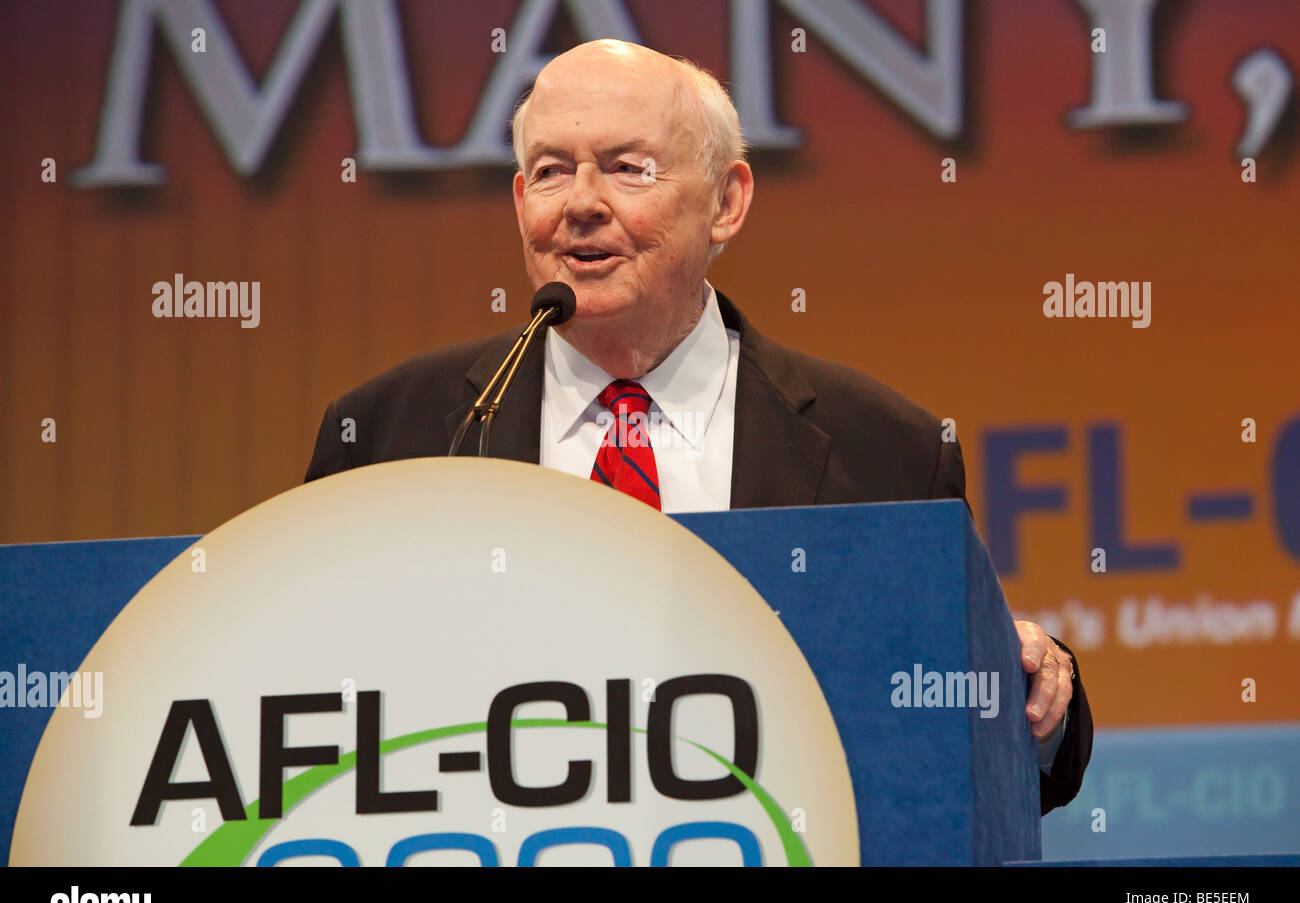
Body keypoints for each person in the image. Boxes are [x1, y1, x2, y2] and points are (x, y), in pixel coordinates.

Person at [305, 39, 1091, 815]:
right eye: (550, 171)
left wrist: (1023, 687)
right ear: (521, 205)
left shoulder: (885, 448)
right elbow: (297, 697)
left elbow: (970, 747)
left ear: (727, 201)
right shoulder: (385, 440)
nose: (581, 202)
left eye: (627, 167)